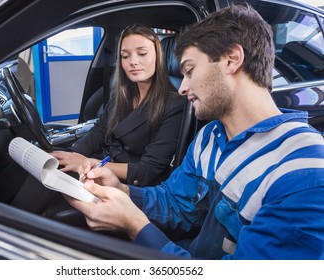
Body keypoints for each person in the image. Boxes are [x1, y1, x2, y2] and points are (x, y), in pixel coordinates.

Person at [66, 4, 324, 259]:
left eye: (189, 71)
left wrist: (135, 226)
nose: (182, 87)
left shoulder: (303, 170)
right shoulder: (210, 137)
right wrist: (123, 191)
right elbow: (177, 203)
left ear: (231, 60)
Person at [50, 23, 185, 186]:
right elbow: (97, 133)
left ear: (158, 56)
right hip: (100, 165)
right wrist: (70, 155)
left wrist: (89, 163)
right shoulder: (122, 96)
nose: (133, 61)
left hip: (127, 184)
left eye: (142, 53)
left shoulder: (175, 105)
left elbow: (147, 171)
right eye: (125, 56)